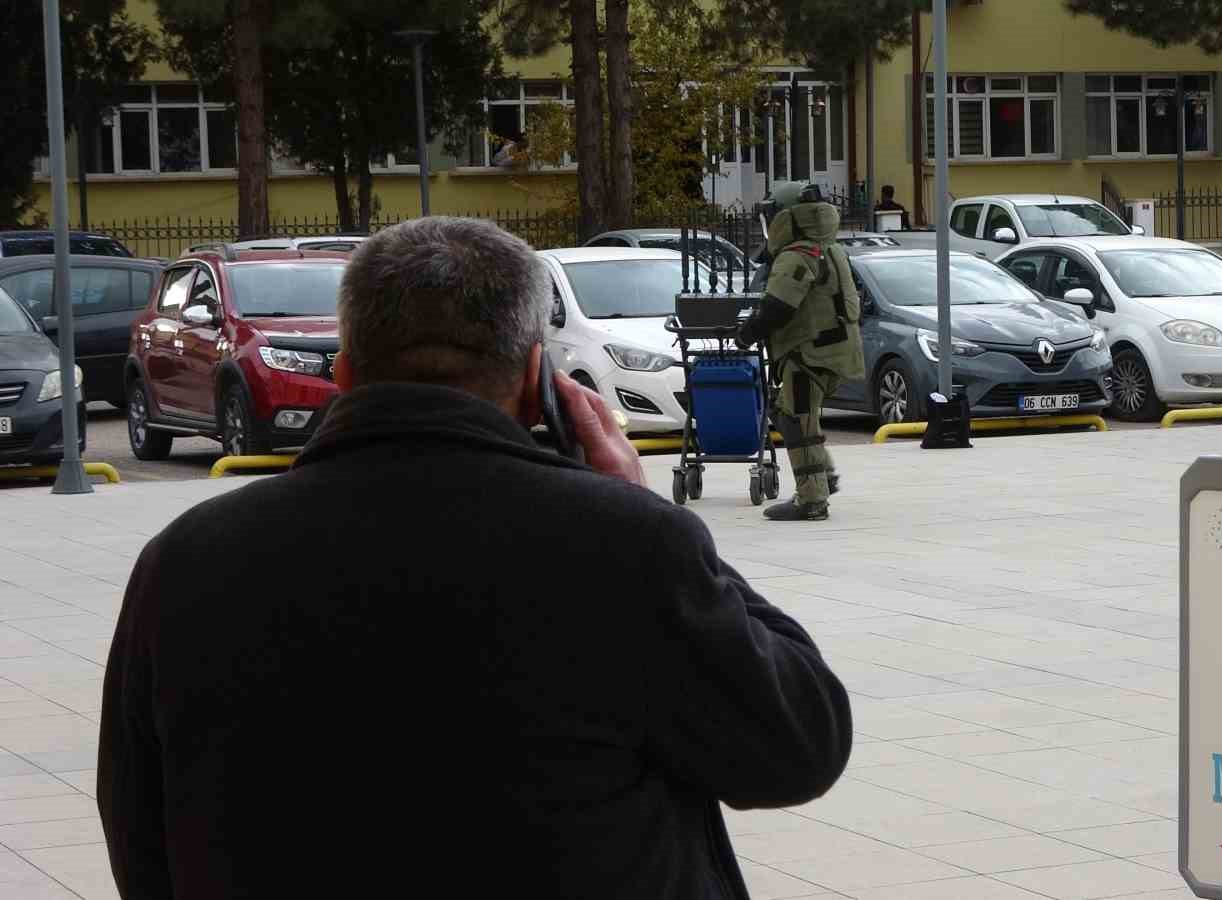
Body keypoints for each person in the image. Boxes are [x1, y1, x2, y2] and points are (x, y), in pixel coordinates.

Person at [97, 217, 853, 899]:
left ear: (346, 374)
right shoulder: (620, 547)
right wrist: (639, 506)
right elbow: (800, 744)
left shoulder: (185, 564)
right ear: (536, 383)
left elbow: (137, 827)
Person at [738, 181, 865, 522]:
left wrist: (747, 334)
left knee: (797, 419)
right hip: (832, 350)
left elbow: (778, 307)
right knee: (791, 414)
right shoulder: (829, 248)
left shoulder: (798, 254)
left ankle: (811, 499)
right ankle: (824, 477)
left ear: (788, 218)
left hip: (808, 353)